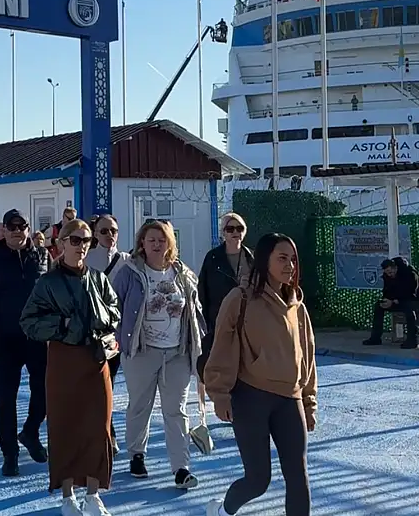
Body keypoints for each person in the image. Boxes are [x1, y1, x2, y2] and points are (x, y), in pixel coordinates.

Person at [204, 233, 317, 516]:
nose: (290, 265)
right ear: (264, 260)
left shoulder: (298, 308)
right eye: (282, 258)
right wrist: (219, 394)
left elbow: (307, 357)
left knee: (298, 476)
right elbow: (221, 348)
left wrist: (308, 401)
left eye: (293, 259)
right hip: (250, 396)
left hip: (289, 401)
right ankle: (223, 510)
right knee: (258, 480)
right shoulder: (240, 299)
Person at [20, 218, 121, 516]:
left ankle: (93, 495)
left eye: (86, 241)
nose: (81, 246)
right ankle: (67, 498)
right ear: (61, 243)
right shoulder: (47, 283)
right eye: (75, 240)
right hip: (64, 359)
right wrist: (62, 325)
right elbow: (28, 321)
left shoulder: (99, 279)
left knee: (98, 428)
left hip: (96, 359)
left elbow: (115, 310)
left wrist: (104, 323)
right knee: (65, 427)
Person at [111, 219, 204, 489]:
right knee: (140, 406)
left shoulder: (182, 273)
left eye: (162, 240)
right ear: (142, 242)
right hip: (142, 351)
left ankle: (181, 468)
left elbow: (194, 310)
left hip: (177, 352)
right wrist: (119, 338)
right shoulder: (130, 271)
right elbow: (114, 306)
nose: (156, 244)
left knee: (176, 411)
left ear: (170, 243)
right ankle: (137, 454)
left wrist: (199, 343)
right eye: (151, 240)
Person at [0, 208, 49, 476]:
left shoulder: (41, 257)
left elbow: (51, 296)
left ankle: (30, 432)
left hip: (37, 339)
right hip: (5, 339)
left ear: (29, 229)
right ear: (3, 230)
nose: (18, 231)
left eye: (22, 226)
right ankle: (10, 454)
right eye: (12, 226)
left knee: (45, 392)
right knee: (6, 398)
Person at [196, 212, 252, 413]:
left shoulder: (251, 258)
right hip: (219, 321)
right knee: (221, 364)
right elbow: (202, 292)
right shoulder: (213, 258)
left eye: (239, 229)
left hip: (248, 322)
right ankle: (224, 402)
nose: (235, 233)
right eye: (230, 229)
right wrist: (205, 326)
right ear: (223, 233)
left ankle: (245, 404)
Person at [85, 214, 127, 453]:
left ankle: (108, 432)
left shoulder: (128, 261)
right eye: (104, 231)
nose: (109, 236)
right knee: (96, 385)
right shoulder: (88, 259)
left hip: (116, 335)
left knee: (108, 383)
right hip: (91, 334)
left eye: (113, 230)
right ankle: (104, 432)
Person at [363, 256, 419, 349]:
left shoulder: (410, 274)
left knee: (409, 308)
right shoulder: (387, 276)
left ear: (396, 268)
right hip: (399, 301)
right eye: (387, 273)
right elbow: (387, 291)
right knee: (379, 306)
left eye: (391, 272)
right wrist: (386, 300)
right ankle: (375, 337)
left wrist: (394, 302)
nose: (390, 275)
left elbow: (411, 294)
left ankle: (412, 340)